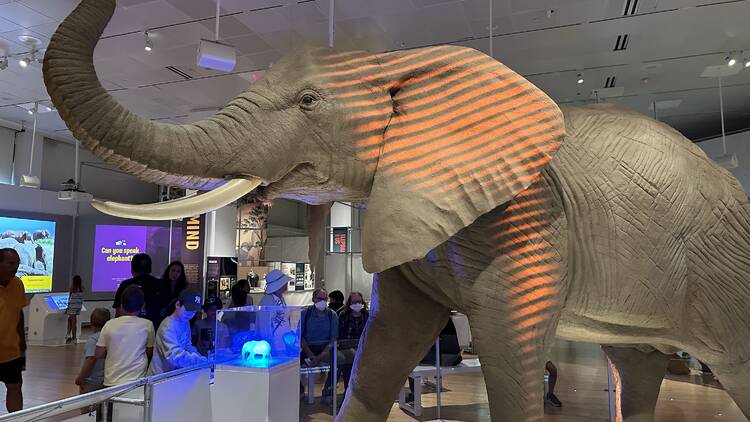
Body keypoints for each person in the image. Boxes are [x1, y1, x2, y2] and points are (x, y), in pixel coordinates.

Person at [96, 285, 155, 386]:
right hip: (137, 381)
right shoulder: (147, 325)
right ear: (143, 306)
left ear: (121, 306)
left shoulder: (109, 324)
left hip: (111, 381)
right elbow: (150, 352)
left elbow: (99, 354)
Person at [148, 289, 208, 375]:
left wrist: (199, 356)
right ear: (177, 304)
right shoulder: (168, 325)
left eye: (194, 311)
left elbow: (187, 345)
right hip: (159, 377)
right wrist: (199, 361)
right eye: (188, 310)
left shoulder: (185, 321)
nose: (190, 314)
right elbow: (174, 356)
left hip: (173, 375)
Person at [0, 248, 27, 413]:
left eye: (17, 263)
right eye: (11, 263)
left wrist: (22, 341)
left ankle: (17, 418)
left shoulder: (18, 283)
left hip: (12, 351)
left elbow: (19, 311)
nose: (15, 267)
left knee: (15, 387)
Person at [301, 288, 339, 404]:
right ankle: (299, 391)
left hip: (325, 348)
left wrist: (320, 356)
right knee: (291, 362)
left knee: (339, 360)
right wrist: (310, 354)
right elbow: (300, 336)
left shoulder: (332, 315)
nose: (322, 301)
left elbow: (333, 339)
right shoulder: (305, 313)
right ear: (313, 299)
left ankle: (328, 392)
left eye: (324, 299)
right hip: (308, 347)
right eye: (319, 298)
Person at [112, 253, 168, 329]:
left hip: (130, 331)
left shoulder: (125, 285)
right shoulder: (161, 284)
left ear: (132, 269)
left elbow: (118, 314)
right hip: (155, 331)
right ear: (150, 269)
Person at [75, 308, 111, 420]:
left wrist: (81, 377)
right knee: (100, 412)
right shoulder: (109, 337)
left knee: (88, 413)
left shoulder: (93, 340)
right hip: (103, 381)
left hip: (90, 383)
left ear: (91, 324)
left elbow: (91, 359)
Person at [336, 292, 368, 393]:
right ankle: (348, 389)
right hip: (347, 347)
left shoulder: (367, 315)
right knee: (351, 358)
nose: (357, 304)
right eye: (354, 302)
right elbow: (340, 336)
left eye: (359, 301)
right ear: (349, 303)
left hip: (364, 347)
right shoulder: (343, 315)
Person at [66, 275, 85, 343]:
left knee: (73, 322)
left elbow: (69, 298)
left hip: (72, 307)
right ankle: (68, 334)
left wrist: (67, 307)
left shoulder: (72, 288)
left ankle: (74, 337)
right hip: (78, 307)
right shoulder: (82, 288)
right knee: (70, 319)